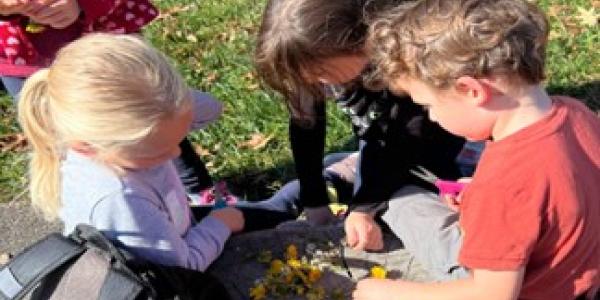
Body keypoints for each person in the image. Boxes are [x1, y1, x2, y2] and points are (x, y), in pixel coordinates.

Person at [353, 0, 600, 299]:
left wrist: (387, 293)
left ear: (472, 91)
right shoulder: (577, 113)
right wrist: (481, 194)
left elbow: (490, 294)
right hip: (582, 281)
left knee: (405, 205)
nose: (430, 117)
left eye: (427, 105)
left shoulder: (504, 181)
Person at [17, 33, 297, 271]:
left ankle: (300, 194)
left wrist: (165, 94)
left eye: (178, 139)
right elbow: (183, 265)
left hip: (180, 226)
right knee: (265, 221)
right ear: (86, 146)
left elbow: (212, 109)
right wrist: (219, 225)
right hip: (174, 272)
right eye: (156, 152)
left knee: (271, 212)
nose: (176, 154)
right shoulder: (120, 200)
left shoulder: (118, 144)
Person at [255, 0, 467, 251]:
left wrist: (364, 207)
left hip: (442, 157)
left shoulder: (411, 60)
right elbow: (306, 125)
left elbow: (406, 138)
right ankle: (333, 180)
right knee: (318, 177)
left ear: (360, 38)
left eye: (322, 74)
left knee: (406, 208)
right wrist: (314, 199)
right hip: (384, 149)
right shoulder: (323, 54)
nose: (319, 85)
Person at [0, 0, 224, 207]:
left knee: (150, 118)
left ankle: (197, 191)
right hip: (19, 55)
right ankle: (110, 205)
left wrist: (83, 4)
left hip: (100, 40)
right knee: (62, 139)